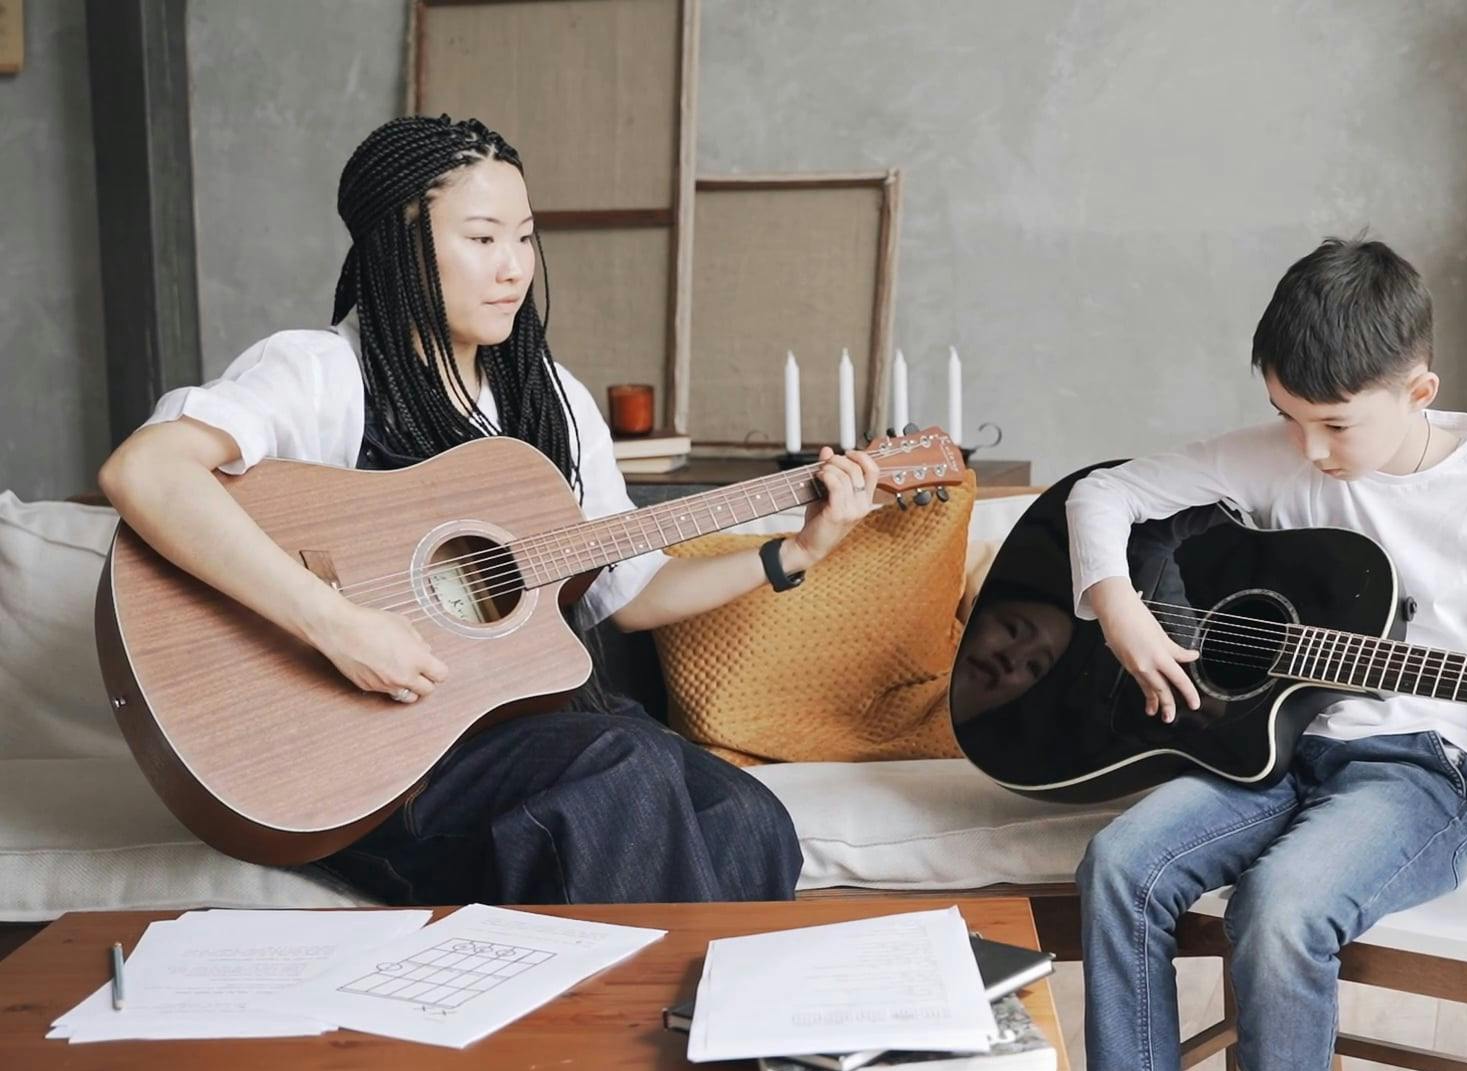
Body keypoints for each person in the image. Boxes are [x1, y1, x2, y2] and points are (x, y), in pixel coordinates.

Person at [96, 115, 880, 907]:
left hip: (536, 736)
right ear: (399, 247)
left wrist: (795, 552)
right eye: (482, 239)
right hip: (381, 762)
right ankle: (640, 1027)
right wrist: (335, 623)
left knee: (750, 818)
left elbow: (630, 596)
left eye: (525, 239)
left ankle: (727, 1029)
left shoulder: (554, 398)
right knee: (622, 770)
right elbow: (148, 470)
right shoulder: (323, 374)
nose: (514, 269)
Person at [1065, 236, 1467, 1071]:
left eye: (1334, 424)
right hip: (1274, 755)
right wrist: (1118, 607)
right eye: (1289, 416)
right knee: (1120, 865)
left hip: (1425, 776)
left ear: (1420, 393)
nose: (1309, 450)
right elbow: (1102, 492)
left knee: (1282, 904)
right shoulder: (1279, 451)